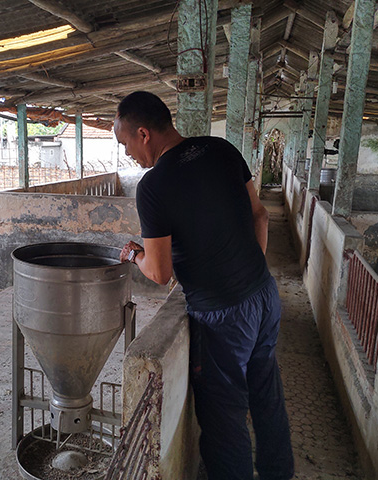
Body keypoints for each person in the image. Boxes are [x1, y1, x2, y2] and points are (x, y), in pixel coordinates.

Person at [116, 91, 294, 480]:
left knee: (224, 414)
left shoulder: (153, 186)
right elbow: (260, 217)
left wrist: (133, 256)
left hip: (222, 315)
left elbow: (160, 273)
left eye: (124, 142)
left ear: (143, 134)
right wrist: (246, 271)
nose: (127, 153)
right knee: (266, 392)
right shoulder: (222, 149)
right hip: (263, 294)